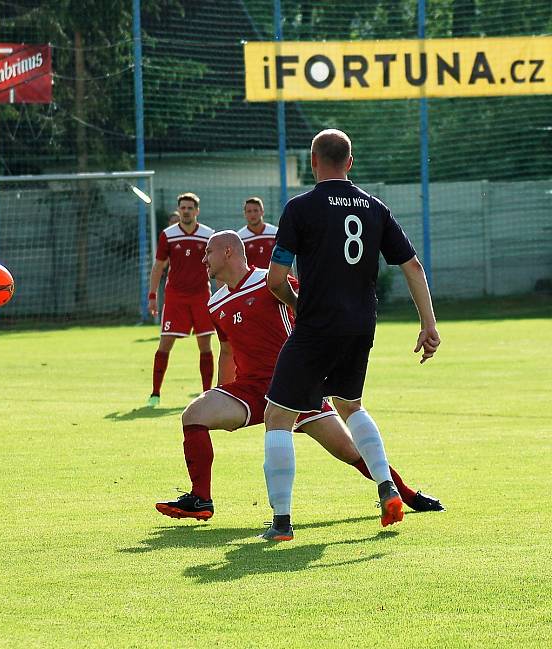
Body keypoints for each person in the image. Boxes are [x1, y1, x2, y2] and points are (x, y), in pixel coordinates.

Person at [155, 231, 443, 523]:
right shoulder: (215, 303)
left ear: (228, 251)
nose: (203, 259)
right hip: (251, 389)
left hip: (294, 384)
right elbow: (227, 350)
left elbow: (312, 309)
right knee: (195, 414)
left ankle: (407, 495)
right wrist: (223, 392)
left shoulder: (271, 281)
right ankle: (201, 499)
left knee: (349, 451)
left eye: (208, 253)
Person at [262, 128, 441, 541]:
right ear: (350, 161)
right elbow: (412, 266)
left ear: (312, 162)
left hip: (317, 325)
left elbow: (275, 280)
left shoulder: (300, 208)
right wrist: (428, 325)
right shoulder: (374, 207)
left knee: (278, 416)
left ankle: (281, 523)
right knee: (350, 404)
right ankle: (386, 486)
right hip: (361, 324)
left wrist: (294, 300)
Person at [147, 193, 215, 407]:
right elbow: (159, 266)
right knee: (165, 344)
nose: (186, 211)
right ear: (179, 210)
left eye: (189, 207)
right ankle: (155, 394)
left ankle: (207, 394)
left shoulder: (208, 235)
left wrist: (224, 294)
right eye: (182, 207)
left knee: (205, 345)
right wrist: (152, 295)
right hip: (176, 298)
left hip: (201, 297)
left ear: (197, 211)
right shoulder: (168, 235)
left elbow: (216, 266)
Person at [237, 196, 278, 269]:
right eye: (249, 211)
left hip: (274, 279)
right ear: (245, 214)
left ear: (262, 212)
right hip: (251, 280)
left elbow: (284, 260)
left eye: (255, 210)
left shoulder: (275, 233)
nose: (252, 214)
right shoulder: (239, 238)